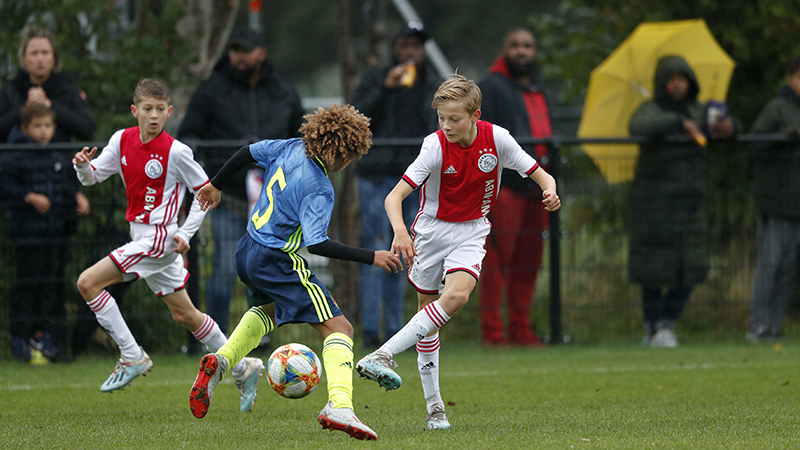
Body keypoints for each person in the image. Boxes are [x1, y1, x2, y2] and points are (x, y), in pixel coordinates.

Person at [356, 74, 561, 430]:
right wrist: (401, 232)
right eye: (441, 118)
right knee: (427, 321)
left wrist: (551, 191)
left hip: (472, 230)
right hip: (430, 232)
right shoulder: (434, 146)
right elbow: (394, 197)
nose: (446, 126)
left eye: (454, 119)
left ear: (475, 115)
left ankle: (382, 354)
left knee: (458, 296)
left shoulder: (497, 139)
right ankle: (435, 408)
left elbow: (540, 174)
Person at [188, 104, 401, 441]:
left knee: (269, 311)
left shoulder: (290, 146)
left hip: (248, 249)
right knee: (341, 328)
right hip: (276, 258)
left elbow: (246, 153)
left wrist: (216, 184)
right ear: (341, 153)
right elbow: (317, 244)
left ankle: (221, 361)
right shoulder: (319, 187)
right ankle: (340, 406)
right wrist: (371, 256)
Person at [71, 79, 264, 413]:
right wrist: (82, 167)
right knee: (185, 314)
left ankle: (131, 355)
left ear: (169, 111)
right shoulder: (121, 140)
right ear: (135, 111)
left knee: (87, 283)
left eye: (160, 109)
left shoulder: (176, 151)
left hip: (160, 239)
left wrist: (186, 233)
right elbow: (93, 177)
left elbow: (206, 194)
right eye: (147, 109)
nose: (154, 115)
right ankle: (243, 367)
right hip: (141, 237)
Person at [178, 27, 305, 335]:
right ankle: (217, 336)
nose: (239, 57)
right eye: (235, 50)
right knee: (224, 269)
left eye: (246, 51)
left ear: (262, 53)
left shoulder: (282, 90)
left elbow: (301, 136)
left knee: (262, 270)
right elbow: (189, 133)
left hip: (273, 202)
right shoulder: (212, 88)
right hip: (229, 197)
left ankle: (259, 336)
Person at [627, 55, 735, 347]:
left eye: (682, 79)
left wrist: (729, 128)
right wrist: (679, 122)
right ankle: (652, 328)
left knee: (692, 267)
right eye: (671, 79)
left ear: (690, 82)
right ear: (662, 83)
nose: (677, 85)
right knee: (652, 269)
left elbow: (725, 130)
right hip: (653, 205)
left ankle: (667, 324)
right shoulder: (650, 110)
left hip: (691, 204)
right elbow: (637, 126)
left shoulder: (702, 109)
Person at [351, 21, 440, 348]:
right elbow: (355, 117)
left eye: (416, 46)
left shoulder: (432, 84)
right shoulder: (376, 78)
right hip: (377, 178)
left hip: (415, 182)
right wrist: (386, 88)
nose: (410, 52)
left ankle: (394, 330)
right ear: (395, 48)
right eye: (405, 45)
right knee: (376, 250)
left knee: (405, 254)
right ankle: (370, 331)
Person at [477, 27, 551, 347]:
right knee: (495, 265)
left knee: (528, 264)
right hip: (505, 189)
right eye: (516, 45)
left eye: (528, 46)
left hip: (537, 189)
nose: (522, 51)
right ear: (504, 49)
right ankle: (493, 333)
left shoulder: (536, 86)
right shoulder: (492, 86)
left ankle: (522, 329)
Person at [0, 102, 90, 363]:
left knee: (48, 287)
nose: (43, 131)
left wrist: (76, 197)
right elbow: (5, 185)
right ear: (24, 128)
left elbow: (63, 187)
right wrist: (28, 197)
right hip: (27, 235)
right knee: (27, 286)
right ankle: (20, 338)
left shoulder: (55, 157)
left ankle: (41, 337)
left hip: (53, 233)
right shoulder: (14, 155)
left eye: (48, 126)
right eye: (37, 126)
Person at [746, 55, 800, 342]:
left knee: (789, 269)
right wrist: (792, 134)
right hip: (777, 203)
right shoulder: (776, 108)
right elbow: (755, 145)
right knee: (770, 266)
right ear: (791, 78)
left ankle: (774, 326)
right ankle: (757, 325)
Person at [0, 25, 96, 143]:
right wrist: (25, 110)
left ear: (54, 57)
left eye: (45, 53)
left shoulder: (67, 87)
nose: (40, 59)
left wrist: (50, 106)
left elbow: (88, 129)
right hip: (17, 154)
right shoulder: (11, 89)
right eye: (34, 53)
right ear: (24, 58)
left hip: (58, 153)